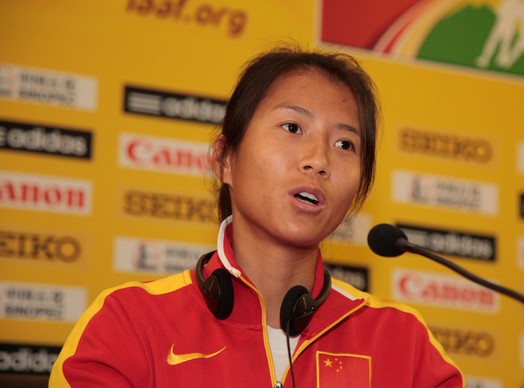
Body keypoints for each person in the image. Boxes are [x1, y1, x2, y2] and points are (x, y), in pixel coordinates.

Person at [49, 46, 464, 387]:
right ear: (225, 159)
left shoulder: (403, 343)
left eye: (344, 144)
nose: (318, 160)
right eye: (292, 127)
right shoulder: (127, 325)